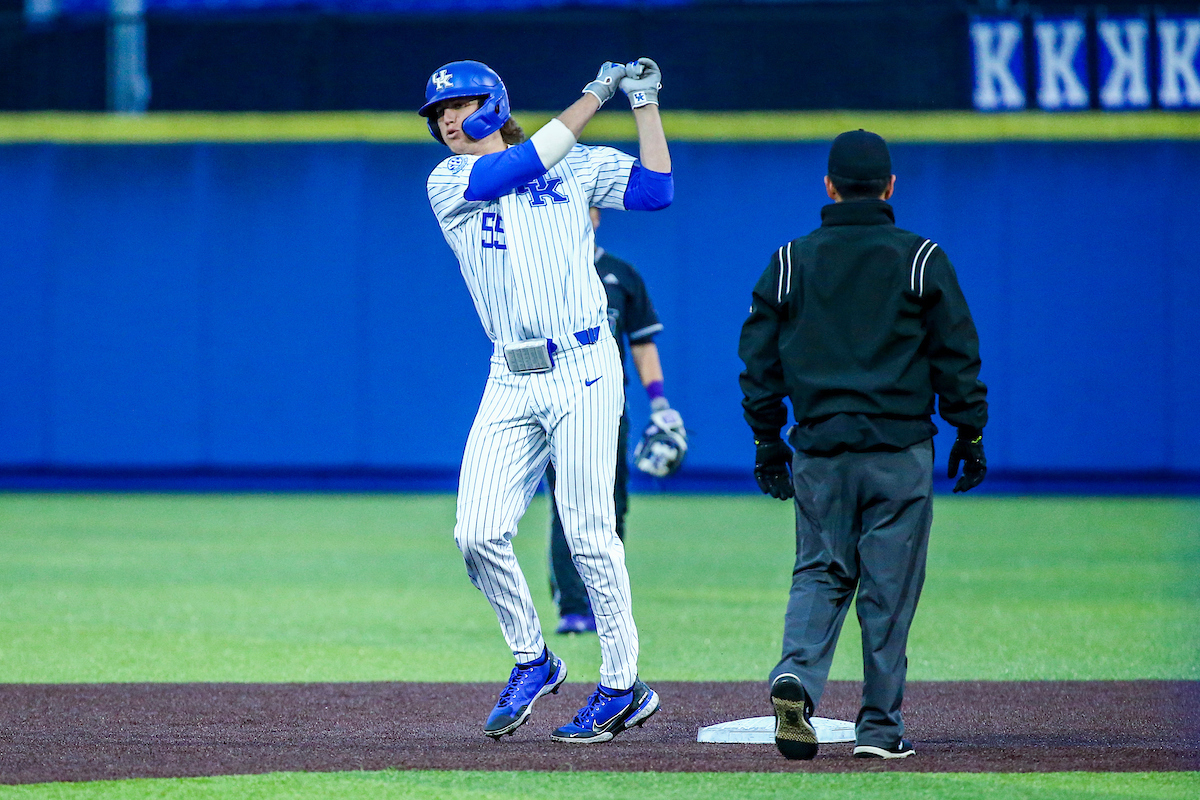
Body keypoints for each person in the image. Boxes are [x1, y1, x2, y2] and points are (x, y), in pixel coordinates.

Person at [420, 57, 672, 744]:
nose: (447, 119)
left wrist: (644, 103)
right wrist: (594, 94)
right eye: (438, 113)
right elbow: (517, 166)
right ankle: (533, 657)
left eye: (459, 104)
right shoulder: (449, 180)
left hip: (585, 364)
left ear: (494, 104)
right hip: (510, 373)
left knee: (589, 532)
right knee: (476, 532)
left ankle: (622, 685)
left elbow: (656, 191)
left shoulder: (577, 165)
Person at [737, 129, 988, 761]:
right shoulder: (920, 258)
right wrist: (970, 430)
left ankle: (797, 676)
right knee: (888, 590)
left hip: (820, 449)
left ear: (829, 187)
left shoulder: (789, 261)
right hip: (899, 451)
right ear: (890, 187)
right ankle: (878, 730)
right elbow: (956, 352)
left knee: (820, 571)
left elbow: (758, 360)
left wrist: (767, 439)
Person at [547, 206, 684, 635]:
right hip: (556, 403)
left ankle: (603, 599)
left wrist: (659, 402)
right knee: (566, 504)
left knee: (611, 503)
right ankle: (572, 604)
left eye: (585, 206)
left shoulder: (620, 275)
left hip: (608, 406)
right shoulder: (543, 271)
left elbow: (642, 343)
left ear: (597, 215)